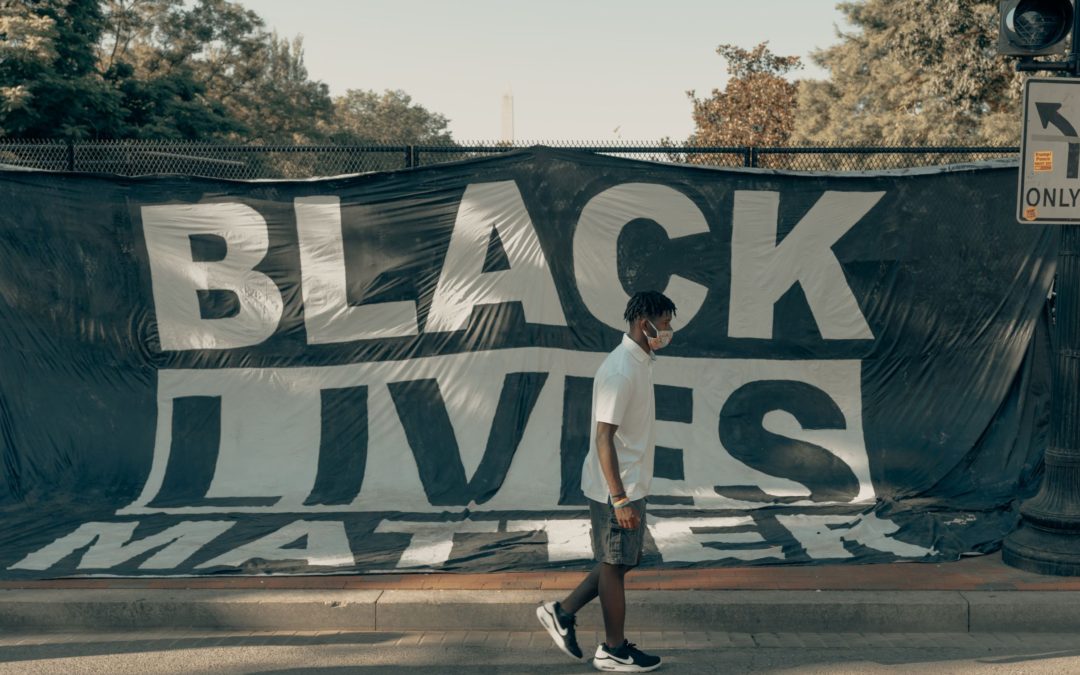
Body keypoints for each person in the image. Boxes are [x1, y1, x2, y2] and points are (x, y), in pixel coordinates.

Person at [537, 290, 674, 673]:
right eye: (664, 323)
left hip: (631, 482)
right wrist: (619, 497)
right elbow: (603, 437)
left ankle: (561, 612)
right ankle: (613, 650)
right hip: (617, 487)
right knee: (615, 563)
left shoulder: (641, 361)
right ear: (642, 320)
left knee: (623, 559)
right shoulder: (620, 370)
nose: (668, 330)